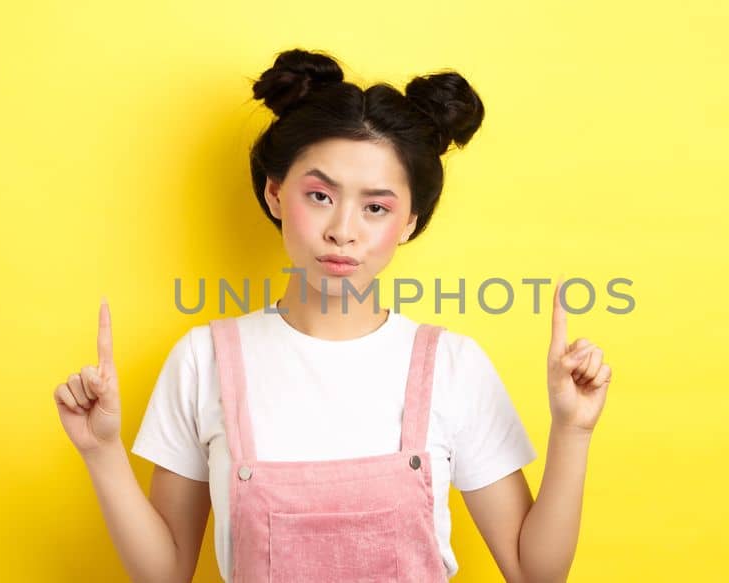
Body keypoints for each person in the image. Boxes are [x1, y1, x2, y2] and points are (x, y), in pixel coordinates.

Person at [51, 48, 613, 582]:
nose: (343, 229)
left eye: (375, 207)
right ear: (275, 194)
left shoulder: (452, 365)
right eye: (320, 196)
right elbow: (165, 572)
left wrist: (574, 430)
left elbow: (537, 572)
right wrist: (101, 453)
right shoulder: (204, 359)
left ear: (411, 222)